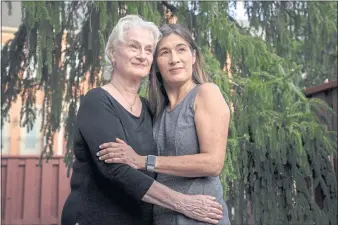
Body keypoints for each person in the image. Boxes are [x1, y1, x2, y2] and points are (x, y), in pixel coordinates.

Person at [61, 16, 224, 225]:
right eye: (133, 47)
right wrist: (183, 203)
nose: (141, 55)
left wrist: (142, 160)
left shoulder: (149, 108)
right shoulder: (98, 101)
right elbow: (118, 170)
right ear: (113, 53)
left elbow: (162, 163)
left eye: (148, 50)